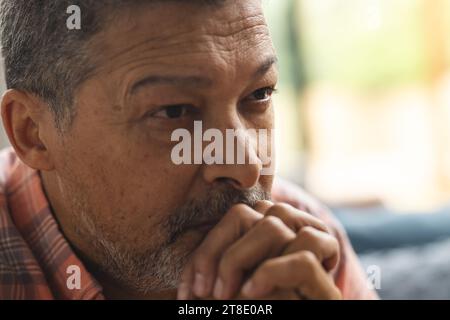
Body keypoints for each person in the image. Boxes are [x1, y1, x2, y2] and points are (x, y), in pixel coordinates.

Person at [0, 0, 376, 300]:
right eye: (175, 111)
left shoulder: (299, 244)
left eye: (259, 94)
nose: (245, 166)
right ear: (32, 132)